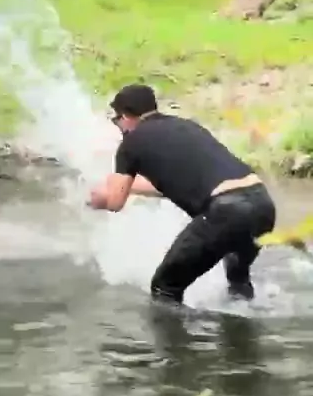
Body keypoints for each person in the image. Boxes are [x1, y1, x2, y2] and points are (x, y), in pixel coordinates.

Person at [88, 83, 276, 305]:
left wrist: (97, 199)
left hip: (228, 212)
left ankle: (177, 330)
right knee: (237, 278)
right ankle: (247, 319)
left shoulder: (131, 143)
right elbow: (175, 184)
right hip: (262, 205)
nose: (117, 126)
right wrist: (130, 188)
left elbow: (115, 203)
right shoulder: (186, 126)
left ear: (126, 116)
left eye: (116, 120)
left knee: (164, 288)